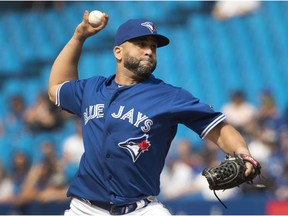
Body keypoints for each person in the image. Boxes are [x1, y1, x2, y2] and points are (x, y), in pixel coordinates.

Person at [48, 10, 258, 215]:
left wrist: (242, 153)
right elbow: (57, 86)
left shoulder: (169, 96)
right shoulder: (92, 89)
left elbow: (218, 128)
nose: (149, 51)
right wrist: (79, 37)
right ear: (118, 52)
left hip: (141, 209)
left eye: (153, 46)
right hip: (84, 209)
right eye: (140, 44)